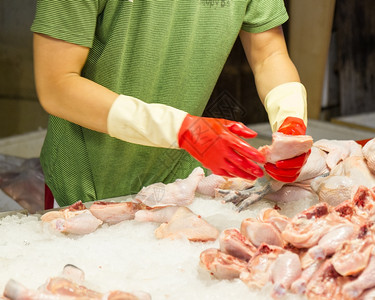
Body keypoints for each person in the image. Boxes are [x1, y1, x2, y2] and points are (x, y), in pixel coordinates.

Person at [31, 0, 310, 208]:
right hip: (86, 183)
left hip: (182, 178)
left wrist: (291, 119)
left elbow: (269, 55)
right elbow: (57, 86)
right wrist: (182, 130)